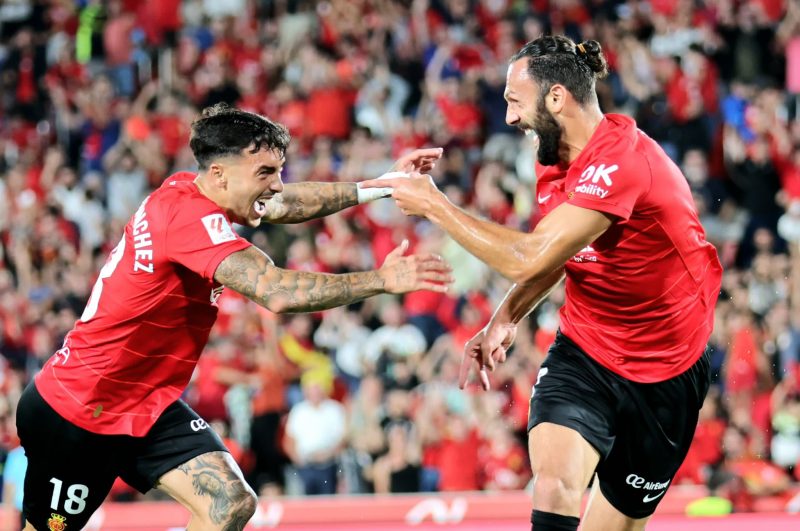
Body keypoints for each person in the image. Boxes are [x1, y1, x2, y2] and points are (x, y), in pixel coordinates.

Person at [15, 103, 452, 531]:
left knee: (230, 504)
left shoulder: (193, 189)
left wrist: (381, 186)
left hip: (143, 401)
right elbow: (276, 291)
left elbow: (284, 204)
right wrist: (380, 279)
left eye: (278, 171)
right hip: (79, 410)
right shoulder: (186, 219)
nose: (277, 185)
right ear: (221, 175)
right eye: (265, 173)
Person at [361, 35, 723, 530]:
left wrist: (433, 204)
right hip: (586, 349)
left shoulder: (622, 161)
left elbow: (529, 257)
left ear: (556, 98)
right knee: (553, 485)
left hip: (666, 371)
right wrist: (505, 317)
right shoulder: (554, 156)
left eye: (514, 100)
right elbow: (557, 251)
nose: (508, 117)